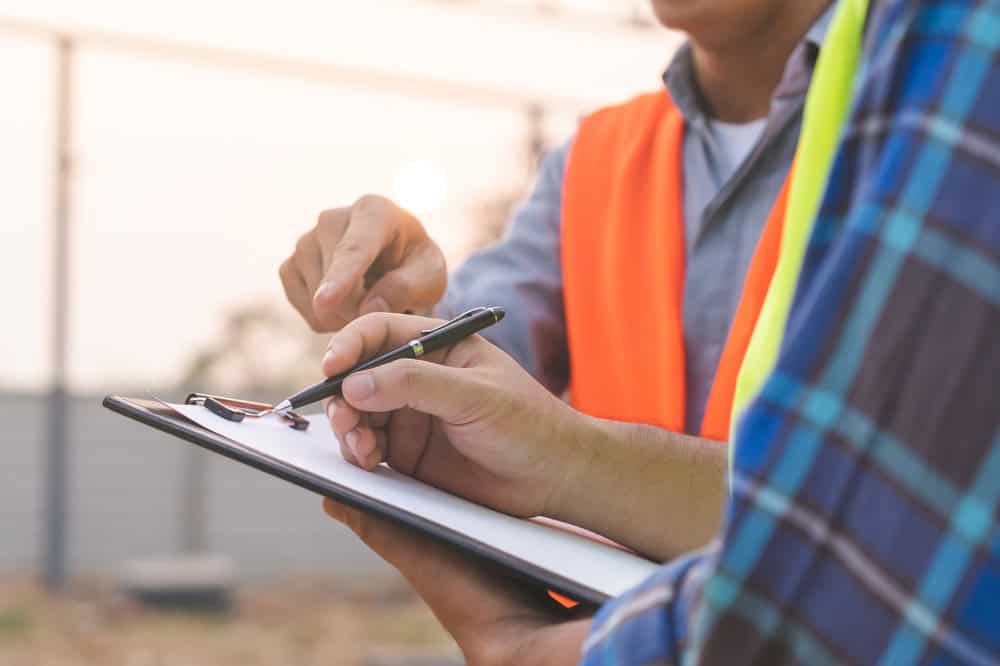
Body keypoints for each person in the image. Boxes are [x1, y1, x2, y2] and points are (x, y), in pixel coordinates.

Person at [318, 0, 1000, 662]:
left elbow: (883, 529)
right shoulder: (594, 160)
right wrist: (381, 317)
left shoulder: (933, 117)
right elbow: (466, 384)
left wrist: (569, 470)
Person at [282, 0, 835, 556]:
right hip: (606, 633)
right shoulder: (595, 159)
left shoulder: (912, 137)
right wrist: (391, 312)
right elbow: (478, 363)